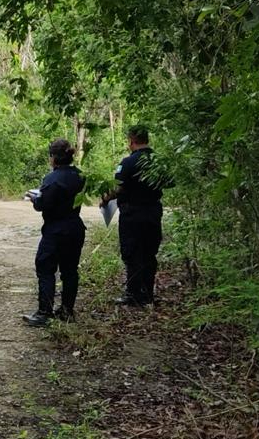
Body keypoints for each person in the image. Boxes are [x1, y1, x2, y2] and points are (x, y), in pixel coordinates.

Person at [22, 139, 86, 327]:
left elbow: (43, 205)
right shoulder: (80, 176)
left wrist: (34, 199)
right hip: (75, 227)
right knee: (70, 270)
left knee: (45, 267)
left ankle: (45, 312)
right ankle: (67, 310)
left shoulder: (52, 179)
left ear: (53, 158)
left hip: (56, 229)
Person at [101, 125, 165, 306]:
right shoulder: (158, 161)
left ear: (131, 141)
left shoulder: (128, 162)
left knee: (132, 253)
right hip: (153, 212)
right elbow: (169, 182)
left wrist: (106, 199)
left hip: (132, 214)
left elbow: (118, 187)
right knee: (149, 252)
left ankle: (134, 294)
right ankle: (147, 293)